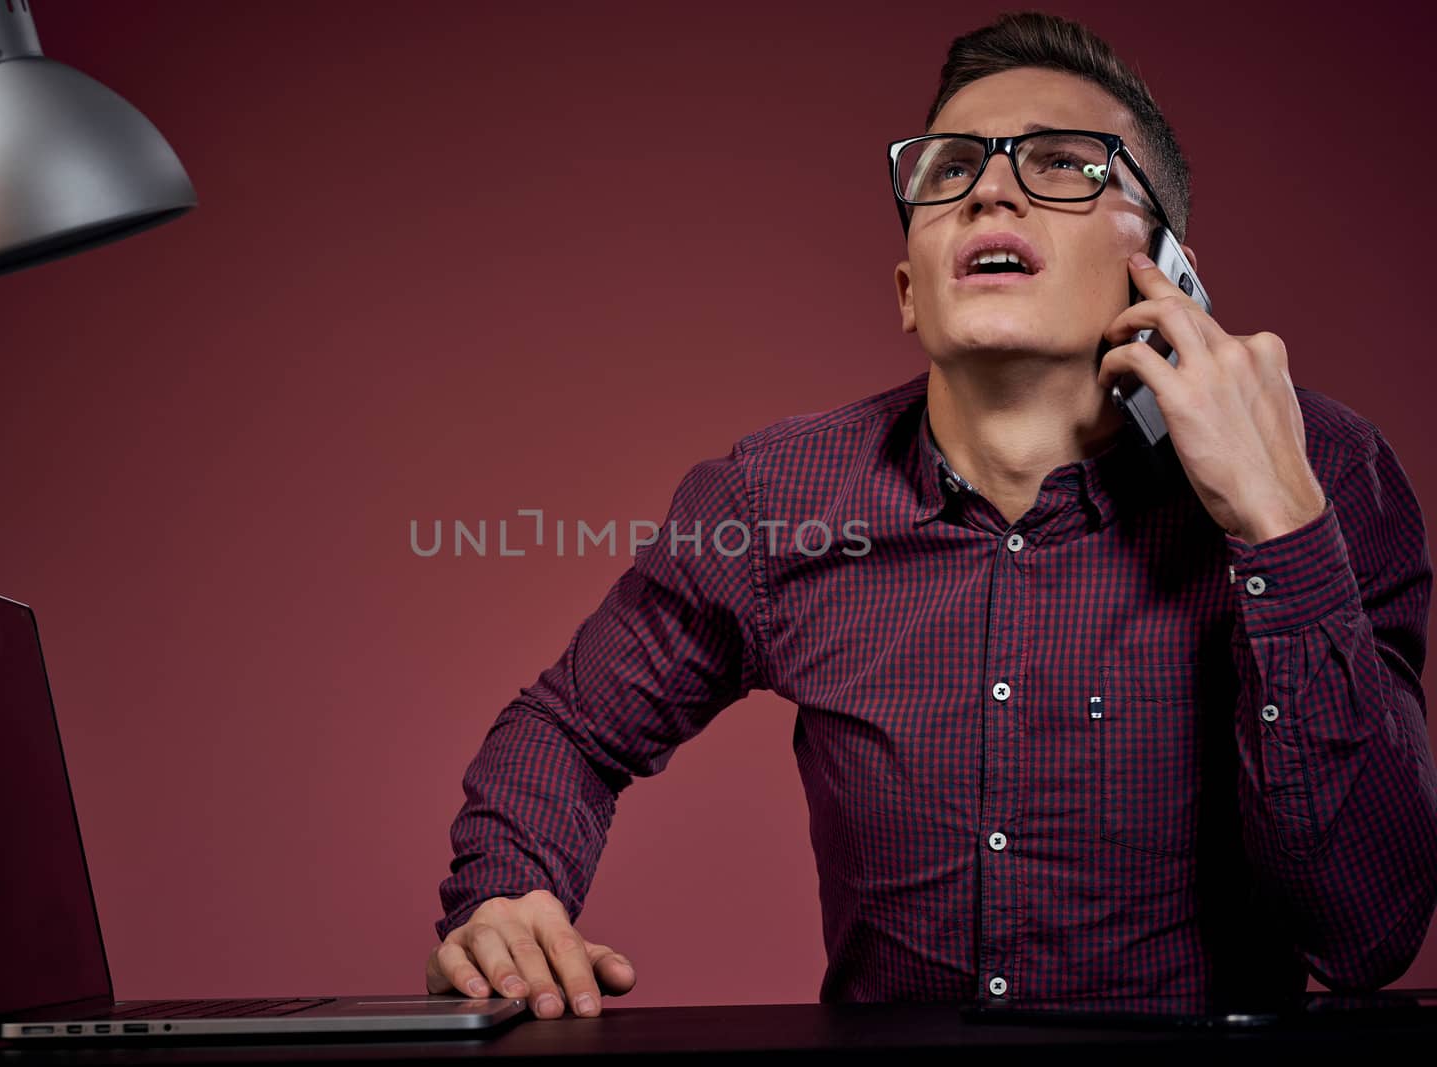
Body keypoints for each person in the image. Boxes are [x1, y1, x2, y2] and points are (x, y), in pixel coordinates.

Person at [424, 10, 1437, 1020]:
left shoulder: (1324, 468)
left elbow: (1363, 936)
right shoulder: (771, 500)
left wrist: (1278, 527)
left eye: (1063, 164)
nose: (988, 187)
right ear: (911, 290)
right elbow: (567, 727)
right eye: (948, 170)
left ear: (1169, 272)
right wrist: (507, 896)